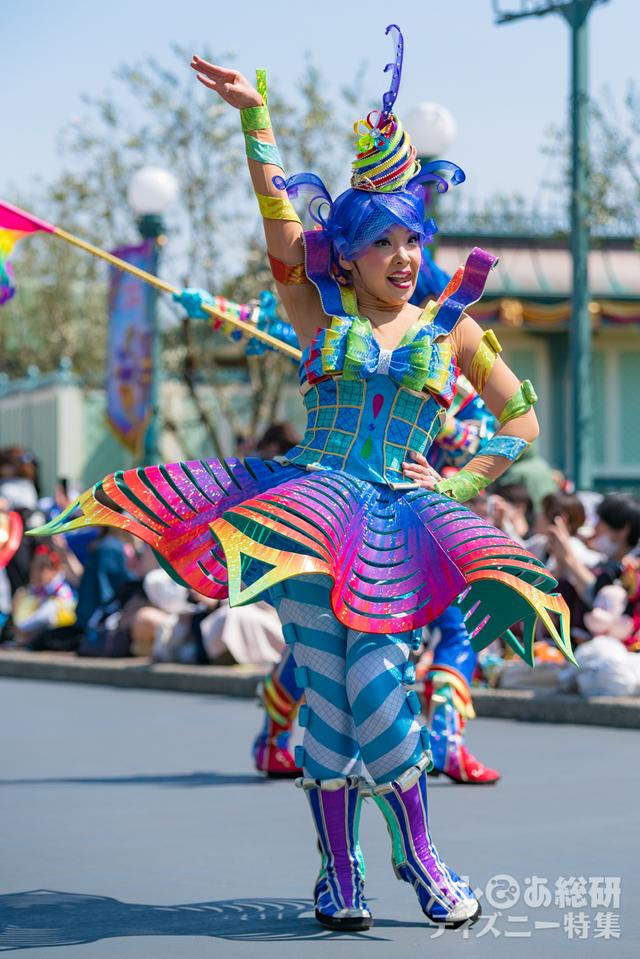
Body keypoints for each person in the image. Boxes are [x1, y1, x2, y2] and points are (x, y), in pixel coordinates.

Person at [35, 26, 573, 932]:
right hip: (304, 518)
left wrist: (463, 480)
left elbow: (520, 419)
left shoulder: (454, 330)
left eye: (414, 239)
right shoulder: (310, 309)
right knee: (328, 700)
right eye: (384, 242)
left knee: (378, 694)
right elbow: (280, 225)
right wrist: (258, 121)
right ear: (352, 252)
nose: (403, 257)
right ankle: (339, 866)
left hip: (399, 525)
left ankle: (420, 852)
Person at [12, 545, 77, 648]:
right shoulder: (33, 589)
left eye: (41, 570)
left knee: (51, 606)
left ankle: (22, 630)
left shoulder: (60, 589)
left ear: (54, 571)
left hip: (61, 630)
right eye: (33, 569)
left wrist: (22, 627)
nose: (35, 574)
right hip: (34, 631)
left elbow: (47, 614)